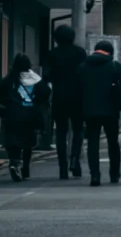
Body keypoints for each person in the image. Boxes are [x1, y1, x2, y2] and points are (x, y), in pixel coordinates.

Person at [79, 37, 121, 187]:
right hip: (111, 110)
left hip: (90, 110)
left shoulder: (83, 66)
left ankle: (95, 175)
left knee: (93, 142)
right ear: (110, 52)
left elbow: (78, 90)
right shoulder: (115, 66)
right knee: (113, 142)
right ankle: (114, 174)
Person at [0, 52, 47, 181]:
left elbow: (0, 97)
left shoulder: (9, 80)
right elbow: (45, 94)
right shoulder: (36, 79)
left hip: (13, 115)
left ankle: (14, 162)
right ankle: (25, 168)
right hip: (30, 115)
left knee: (13, 141)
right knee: (28, 142)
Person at [44, 24, 87, 180]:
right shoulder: (80, 53)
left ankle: (62, 166)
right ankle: (75, 159)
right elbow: (85, 74)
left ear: (56, 38)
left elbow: (46, 76)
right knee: (78, 130)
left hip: (59, 97)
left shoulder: (52, 54)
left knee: (61, 133)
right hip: (78, 97)